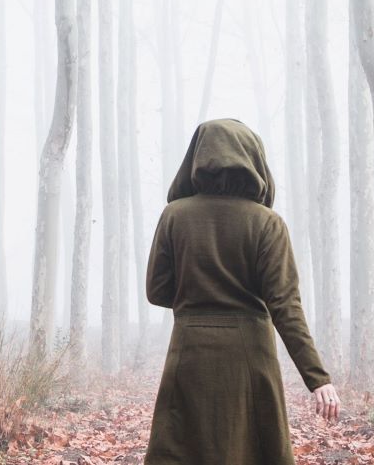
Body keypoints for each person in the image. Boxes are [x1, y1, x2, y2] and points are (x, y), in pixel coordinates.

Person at [143, 118, 340, 465]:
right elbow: (285, 307)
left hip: (189, 355)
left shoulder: (174, 216)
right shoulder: (267, 223)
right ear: (252, 158)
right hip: (251, 358)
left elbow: (157, 291)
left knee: (183, 450)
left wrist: (195, 296)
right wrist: (317, 377)